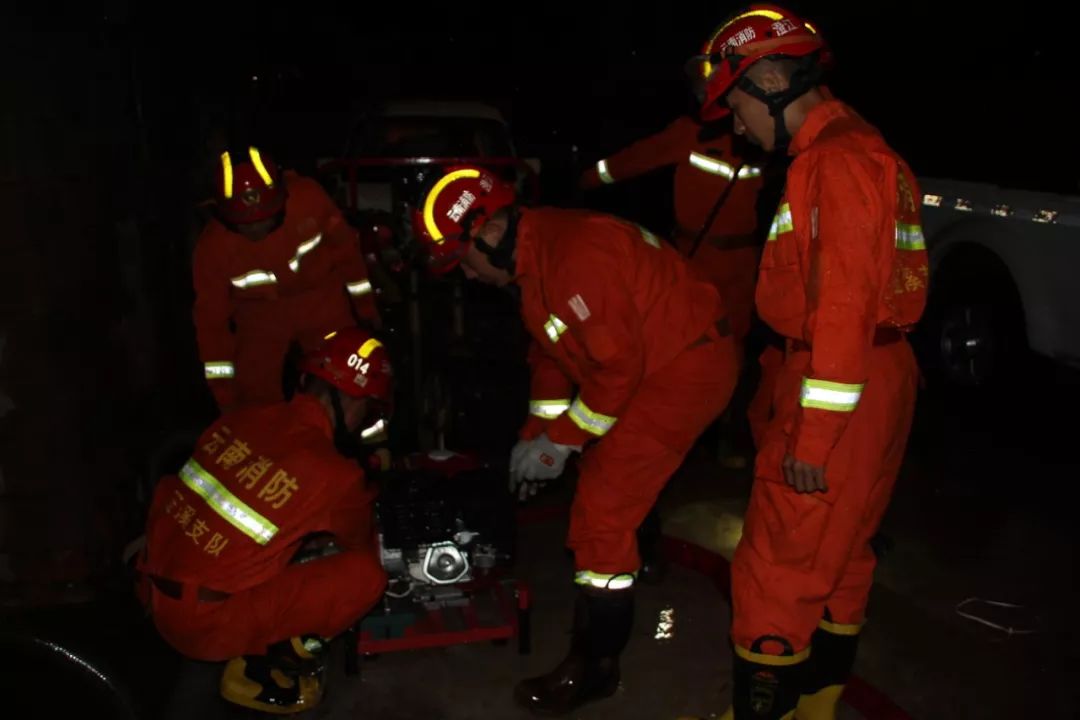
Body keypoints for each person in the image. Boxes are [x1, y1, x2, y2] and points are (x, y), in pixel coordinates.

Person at [412, 165, 740, 715]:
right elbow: (552, 353)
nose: (465, 278)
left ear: (488, 234)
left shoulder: (574, 256)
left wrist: (558, 444)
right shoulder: (537, 258)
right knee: (611, 479)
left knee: (602, 515)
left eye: (460, 262)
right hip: (653, 365)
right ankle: (645, 554)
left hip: (683, 372)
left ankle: (595, 667)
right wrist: (536, 433)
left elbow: (616, 373)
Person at [678, 5, 929, 719]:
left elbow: (843, 305)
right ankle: (816, 707)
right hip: (876, 374)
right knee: (842, 553)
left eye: (737, 107)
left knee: (778, 566)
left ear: (768, 80)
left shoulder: (835, 162)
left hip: (838, 376)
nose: (736, 128)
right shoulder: (865, 147)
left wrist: (813, 438)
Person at [136, 326, 392, 713]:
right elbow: (358, 543)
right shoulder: (335, 474)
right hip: (206, 628)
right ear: (355, 405)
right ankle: (263, 663)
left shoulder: (237, 423)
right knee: (366, 576)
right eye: (368, 410)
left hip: (153, 594)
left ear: (305, 379)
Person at [193, 146, 381, 413]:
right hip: (260, 319)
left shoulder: (309, 200)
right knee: (255, 399)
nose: (257, 229)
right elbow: (211, 323)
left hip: (322, 303)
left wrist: (366, 308)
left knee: (348, 381)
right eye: (246, 224)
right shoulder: (213, 249)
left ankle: (364, 447)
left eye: (265, 220)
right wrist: (224, 394)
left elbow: (347, 254)